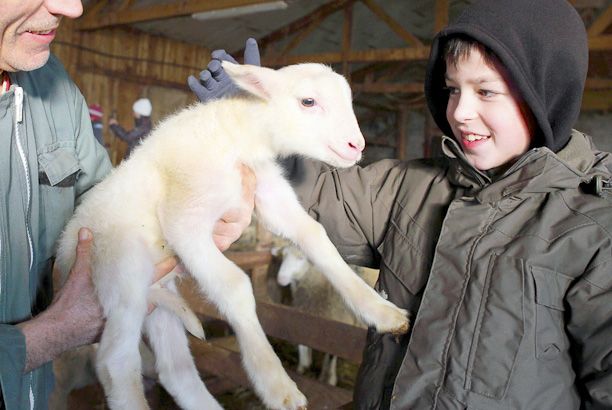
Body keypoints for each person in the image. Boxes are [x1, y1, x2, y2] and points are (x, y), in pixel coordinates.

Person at [195, 0, 612, 408]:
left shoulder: (594, 225)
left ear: (546, 94)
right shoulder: (410, 186)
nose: (461, 111)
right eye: (452, 89)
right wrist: (260, 122)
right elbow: (321, 196)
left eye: (486, 91)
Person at [0, 0, 253, 408]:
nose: (73, 8)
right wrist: (52, 334)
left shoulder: (52, 84)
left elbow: (108, 205)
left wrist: (204, 176)